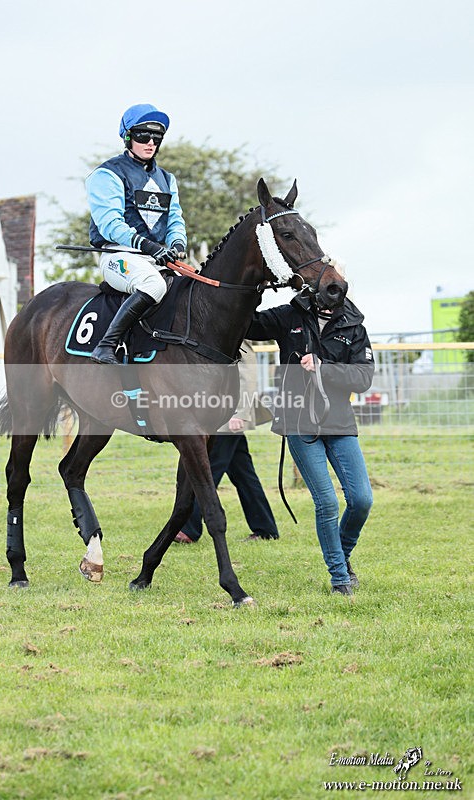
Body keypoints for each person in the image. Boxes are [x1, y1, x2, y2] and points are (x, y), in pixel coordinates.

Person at [247, 292, 374, 595]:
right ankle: (340, 578)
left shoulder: (353, 324)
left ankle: (341, 556)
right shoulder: (289, 315)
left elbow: (363, 377)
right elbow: (249, 325)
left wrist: (323, 367)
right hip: (299, 422)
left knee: (362, 500)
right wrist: (255, 287)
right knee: (327, 503)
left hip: (340, 422)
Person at [85, 103, 187, 365]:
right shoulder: (107, 174)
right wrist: (149, 246)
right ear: (128, 136)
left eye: (157, 138)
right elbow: (110, 224)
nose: (151, 142)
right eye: (143, 135)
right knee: (152, 284)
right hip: (119, 256)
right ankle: (105, 345)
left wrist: (177, 243)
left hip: (156, 259)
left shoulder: (167, 178)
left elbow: (175, 218)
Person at [175, 342, 279, 543]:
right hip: (218, 416)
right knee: (244, 475)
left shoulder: (236, 327)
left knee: (203, 472)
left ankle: (189, 529)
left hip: (228, 419)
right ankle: (265, 528)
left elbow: (248, 371)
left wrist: (240, 412)